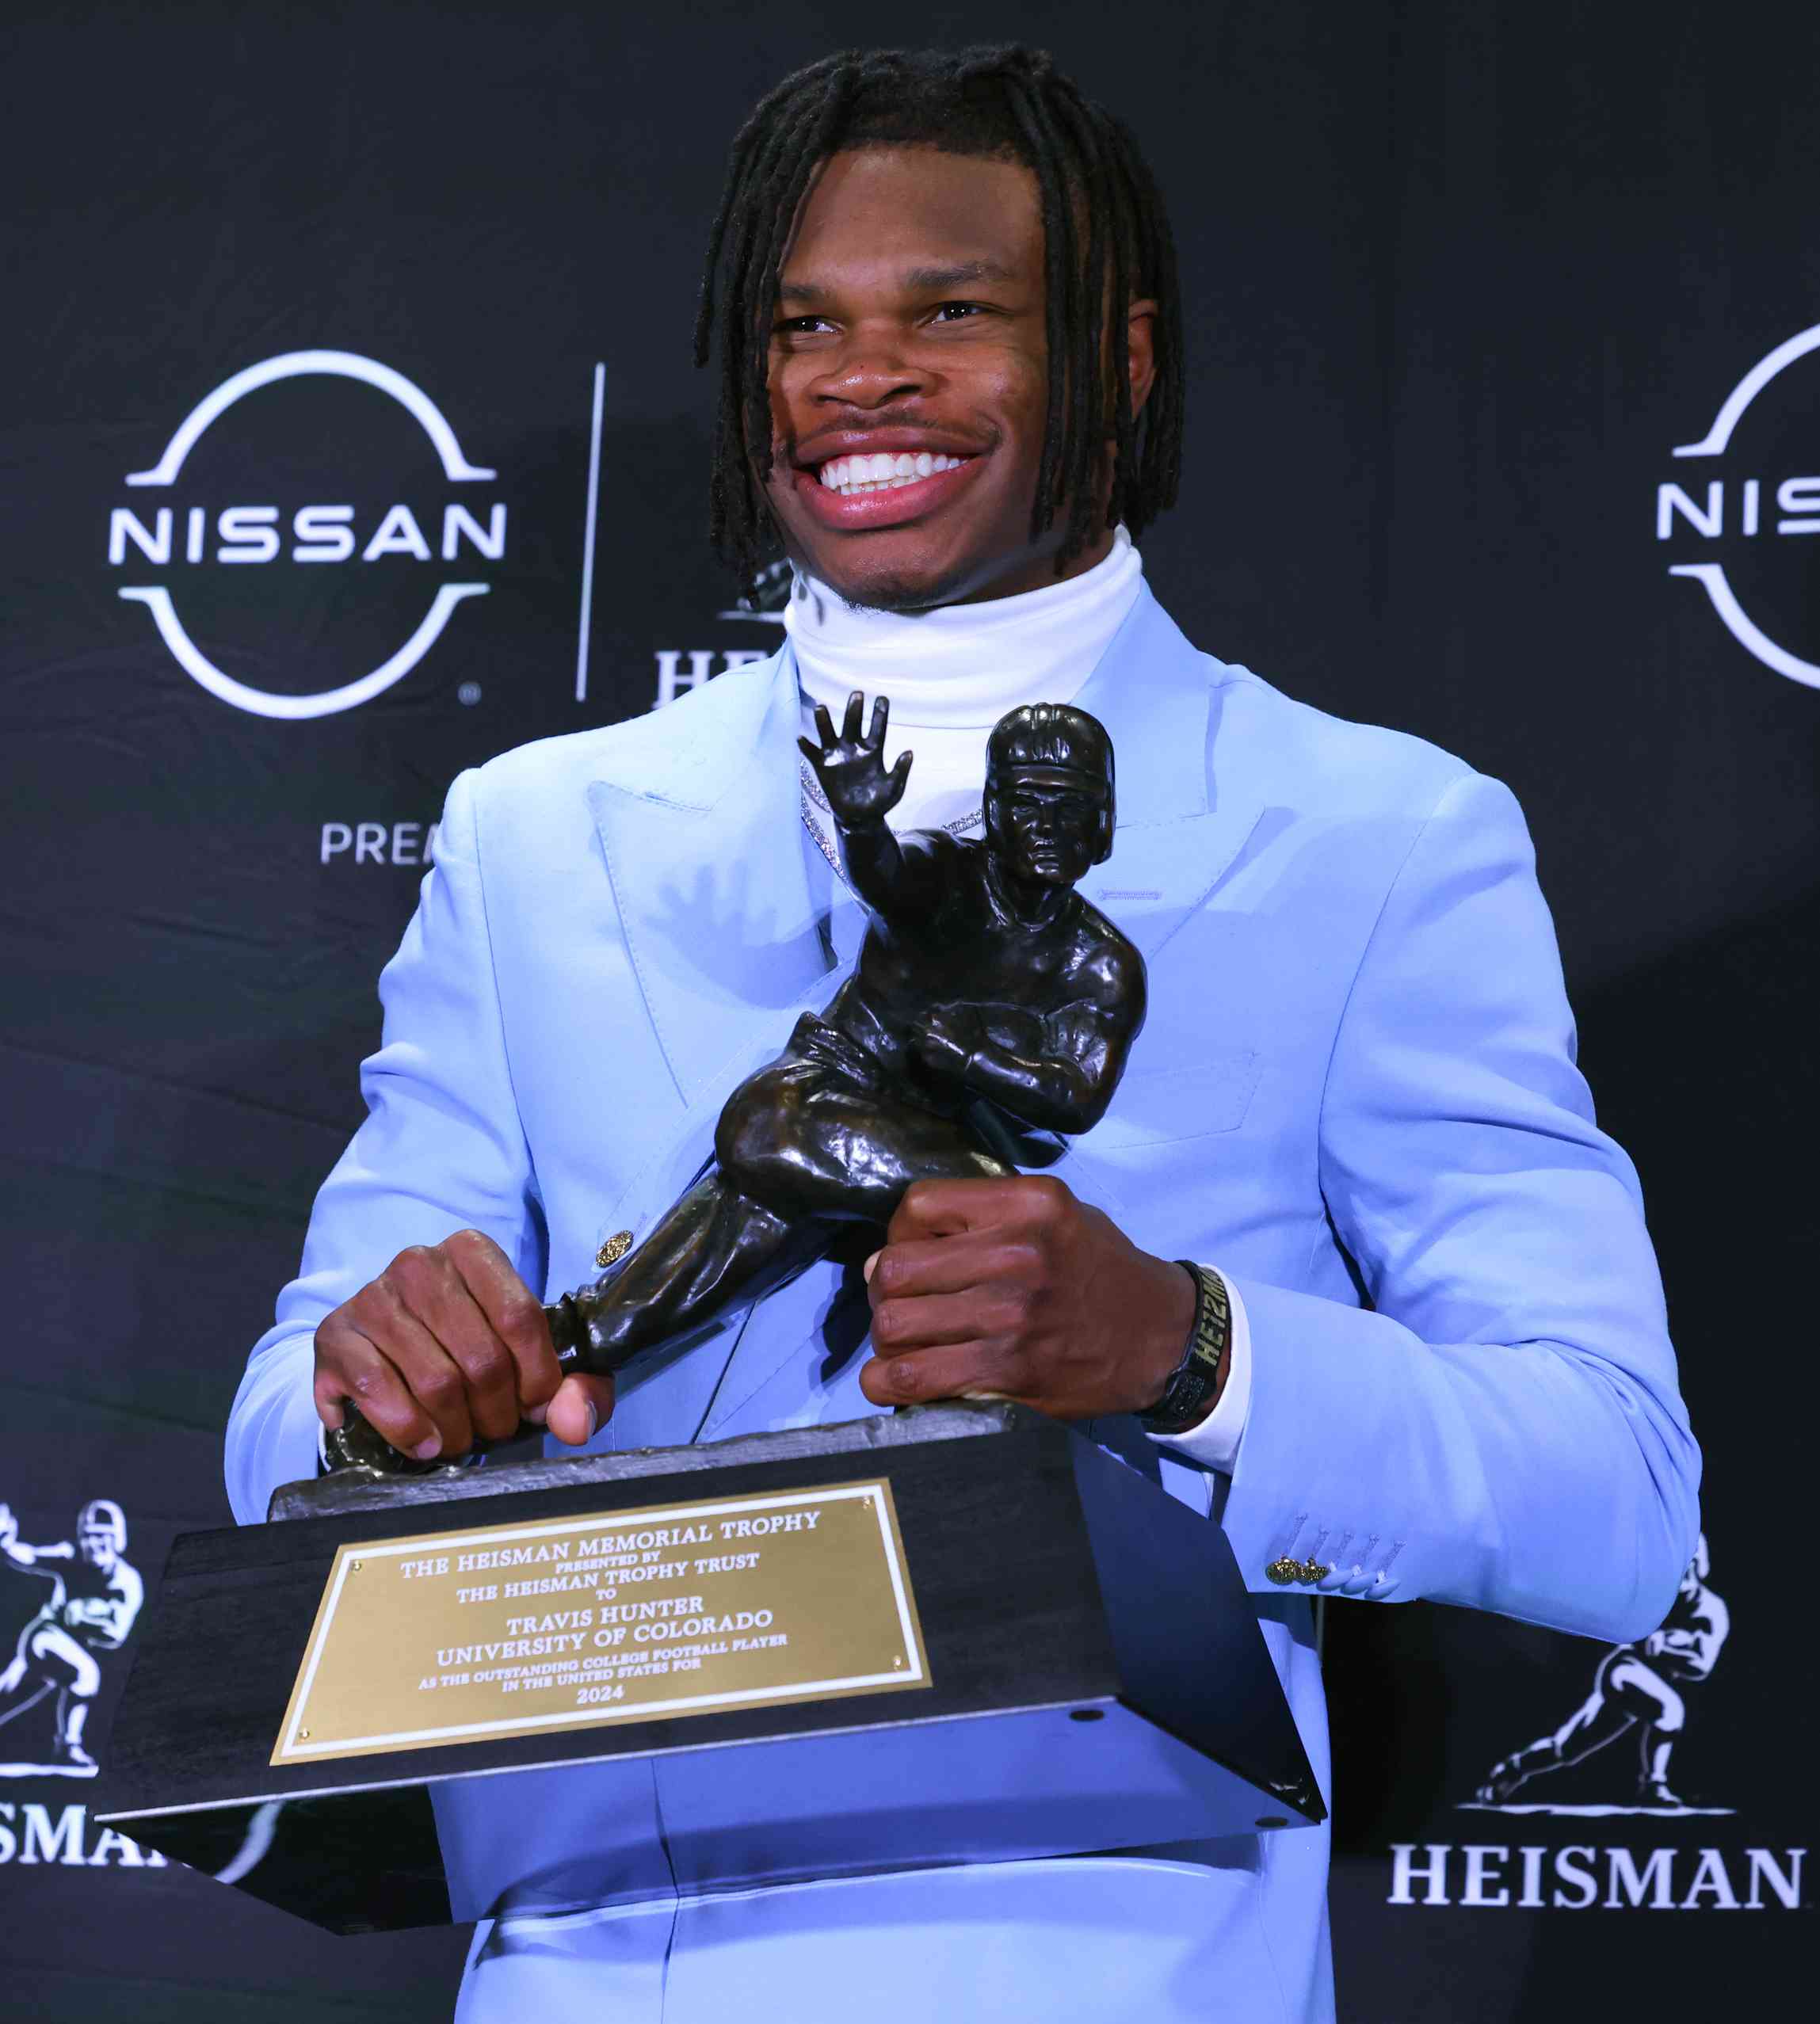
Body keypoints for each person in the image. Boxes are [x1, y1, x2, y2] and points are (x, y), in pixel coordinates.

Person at [225, 44, 1700, 2024]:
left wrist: (1184, 1350)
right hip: (597, 1967)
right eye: (804, 323)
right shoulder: (533, 834)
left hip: (1100, 1969)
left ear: (1125, 353)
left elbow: (1613, 1498)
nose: (863, 378)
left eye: (952, 312)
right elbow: (274, 1440)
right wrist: (368, 1389)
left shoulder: (1373, 835)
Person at [1477, 1536, 1727, 1810]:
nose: (1684, 1574)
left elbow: (1701, 1667)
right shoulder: (1647, 1595)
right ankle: (1653, 1784)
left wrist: (1665, 1648)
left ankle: (1514, 1769)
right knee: (1670, 1712)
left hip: (1652, 1680)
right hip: (1626, 1670)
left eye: (1690, 1565)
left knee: (1566, 1749)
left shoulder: (1710, 1611)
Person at [0, 1498, 143, 1775]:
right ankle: (68, 1747)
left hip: (70, 1642)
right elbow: (31, 1556)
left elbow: (116, 1634)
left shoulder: (127, 1582)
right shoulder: (72, 1557)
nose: (94, 1543)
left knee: (10, 1691)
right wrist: (5, 1540)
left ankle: (68, 1747)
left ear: (117, 1538)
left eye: (102, 1535)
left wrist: (83, 1614)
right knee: (86, 1675)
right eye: (88, 1536)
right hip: (45, 1636)